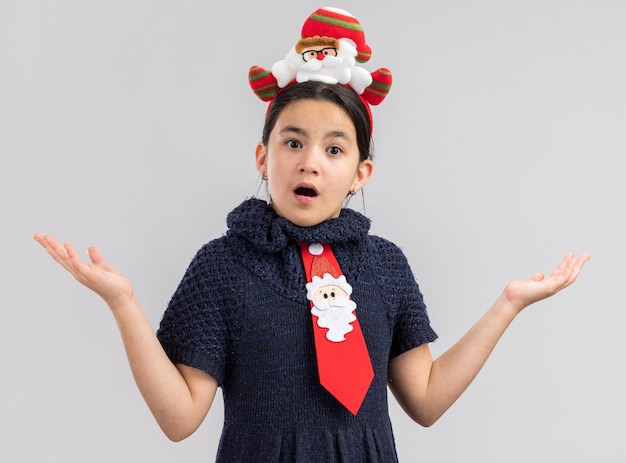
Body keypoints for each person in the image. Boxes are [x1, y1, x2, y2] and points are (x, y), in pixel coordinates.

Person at [33, 6, 590, 463]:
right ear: (263, 156)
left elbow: (425, 399)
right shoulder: (222, 267)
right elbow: (180, 420)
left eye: (334, 148)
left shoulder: (386, 266)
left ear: (359, 174)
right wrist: (123, 304)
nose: (311, 164)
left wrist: (508, 305)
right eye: (292, 142)